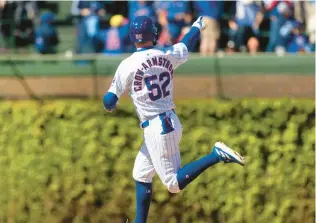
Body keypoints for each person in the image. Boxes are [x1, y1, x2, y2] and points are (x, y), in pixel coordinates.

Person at [103, 16, 245, 223]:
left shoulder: (127, 64)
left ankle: (216, 155)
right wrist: (197, 26)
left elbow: (109, 99)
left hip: (158, 127)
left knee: (173, 184)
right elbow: (187, 43)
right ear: (153, 33)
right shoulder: (166, 54)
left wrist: (110, 106)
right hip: (166, 121)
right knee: (141, 174)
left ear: (133, 37)